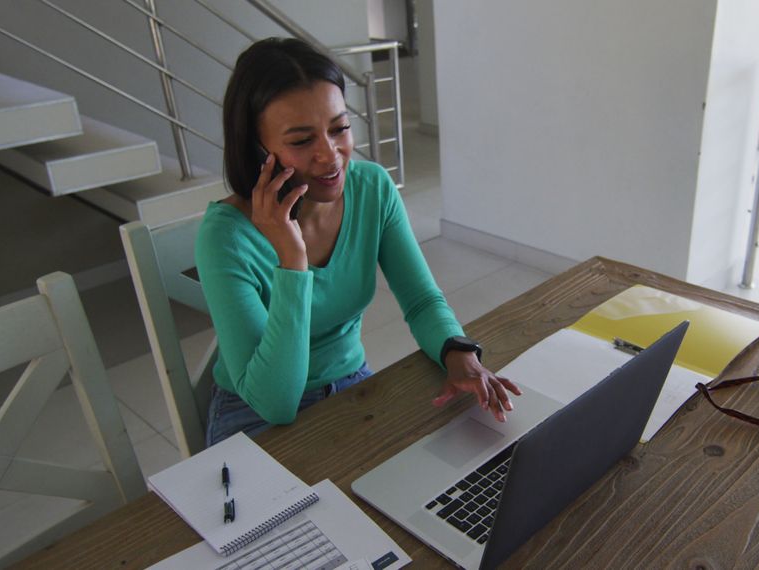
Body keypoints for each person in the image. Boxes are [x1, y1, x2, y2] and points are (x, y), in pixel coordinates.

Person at [196, 37, 521, 446]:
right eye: (301, 141)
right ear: (256, 148)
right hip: (253, 412)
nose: (330, 156)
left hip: (351, 387)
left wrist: (459, 355)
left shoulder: (373, 188)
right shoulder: (224, 237)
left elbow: (421, 300)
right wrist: (292, 262)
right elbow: (275, 402)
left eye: (339, 128)